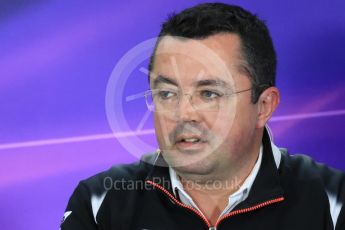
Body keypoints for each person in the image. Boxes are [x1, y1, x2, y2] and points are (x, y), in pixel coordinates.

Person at [61, 3, 345, 230]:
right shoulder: (100, 202)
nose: (183, 114)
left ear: (264, 106)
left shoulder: (333, 202)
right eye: (167, 93)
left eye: (209, 94)